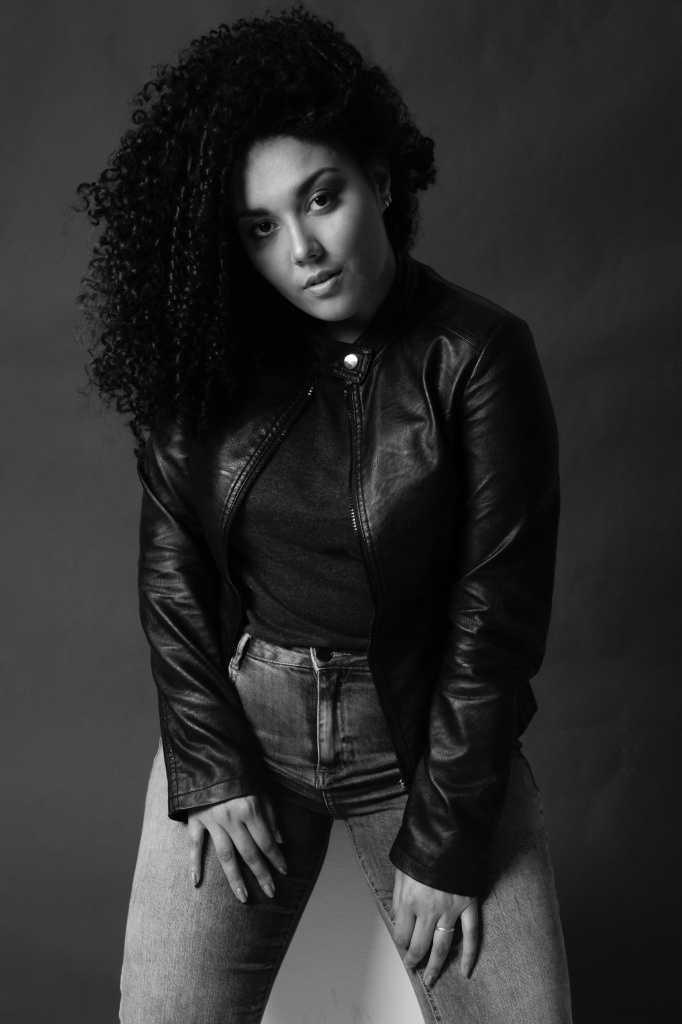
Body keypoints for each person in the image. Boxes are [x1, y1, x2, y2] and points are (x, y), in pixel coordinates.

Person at [75, 6, 572, 1022]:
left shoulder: (477, 354)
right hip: (246, 730)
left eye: (321, 197)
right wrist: (211, 768)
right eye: (260, 228)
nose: (301, 249)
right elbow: (173, 574)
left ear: (380, 181)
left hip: (425, 742)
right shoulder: (207, 359)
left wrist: (445, 839)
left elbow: (496, 618)